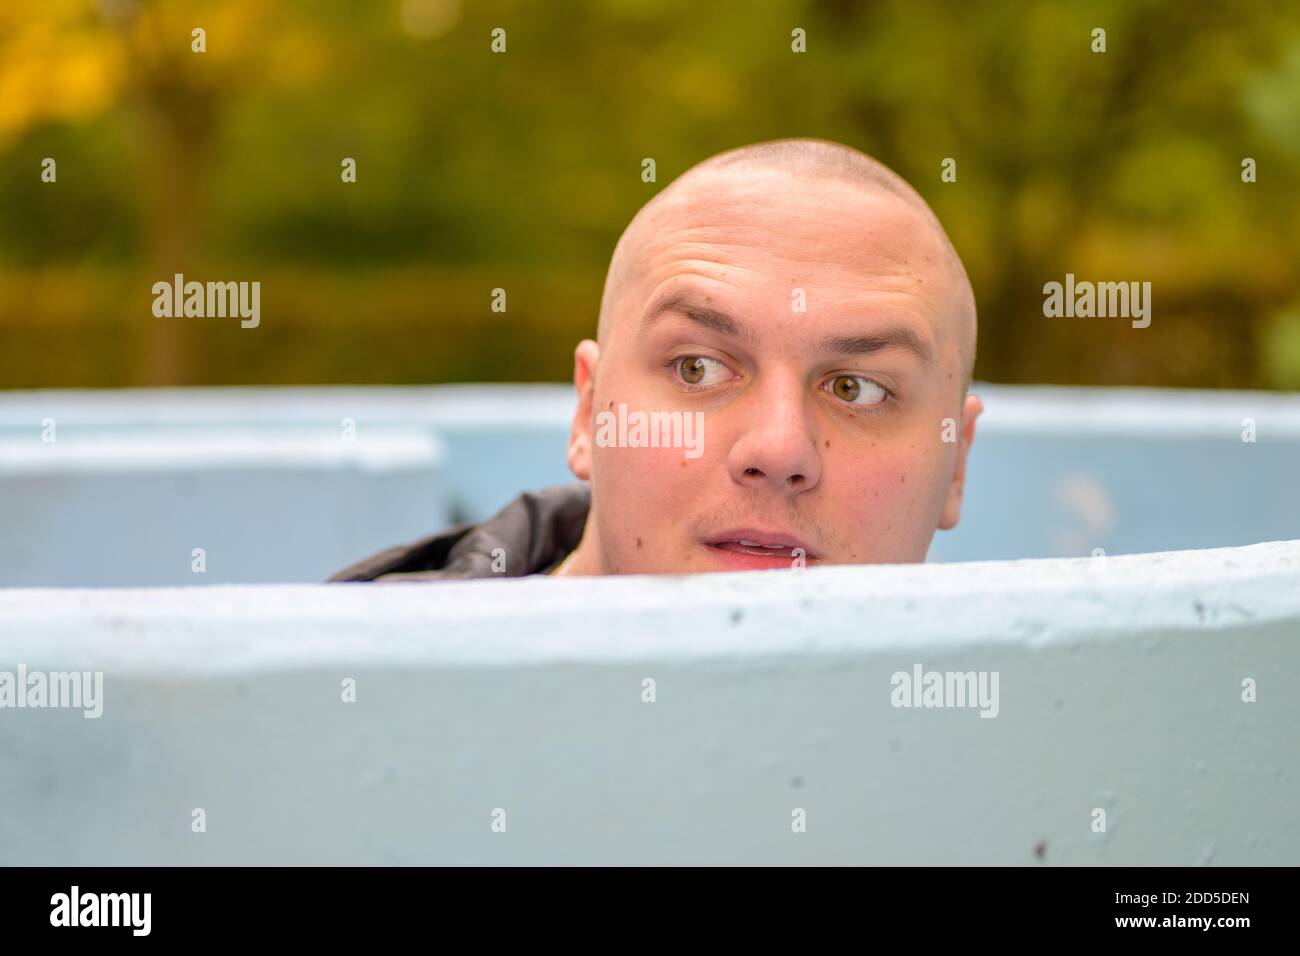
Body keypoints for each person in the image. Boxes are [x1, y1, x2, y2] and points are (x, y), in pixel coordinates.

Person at [330, 137, 981, 582]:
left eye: (857, 389)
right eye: (697, 368)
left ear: (957, 464)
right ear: (588, 414)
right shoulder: (348, 700)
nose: (780, 451)